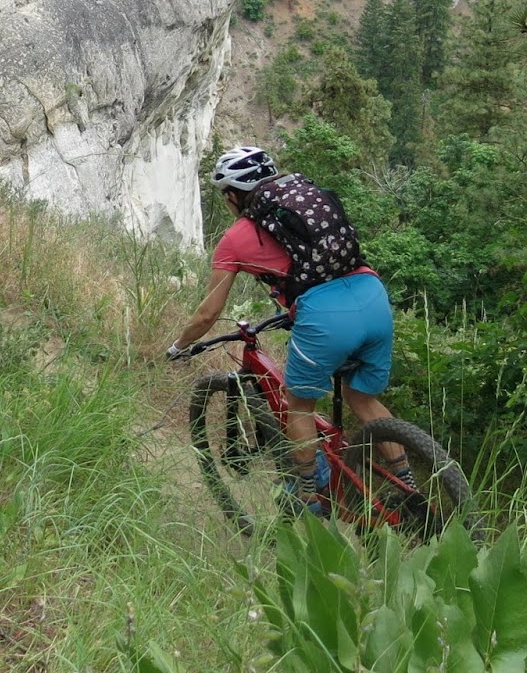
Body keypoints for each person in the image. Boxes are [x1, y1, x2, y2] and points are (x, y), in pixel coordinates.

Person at [166, 146, 406, 515]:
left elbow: (208, 313)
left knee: (300, 407)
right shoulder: (308, 206)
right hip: (372, 296)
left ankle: (308, 497)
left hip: (326, 316)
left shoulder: (236, 238)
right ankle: (410, 485)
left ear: (232, 195)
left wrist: (180, 346)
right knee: (363, 400)